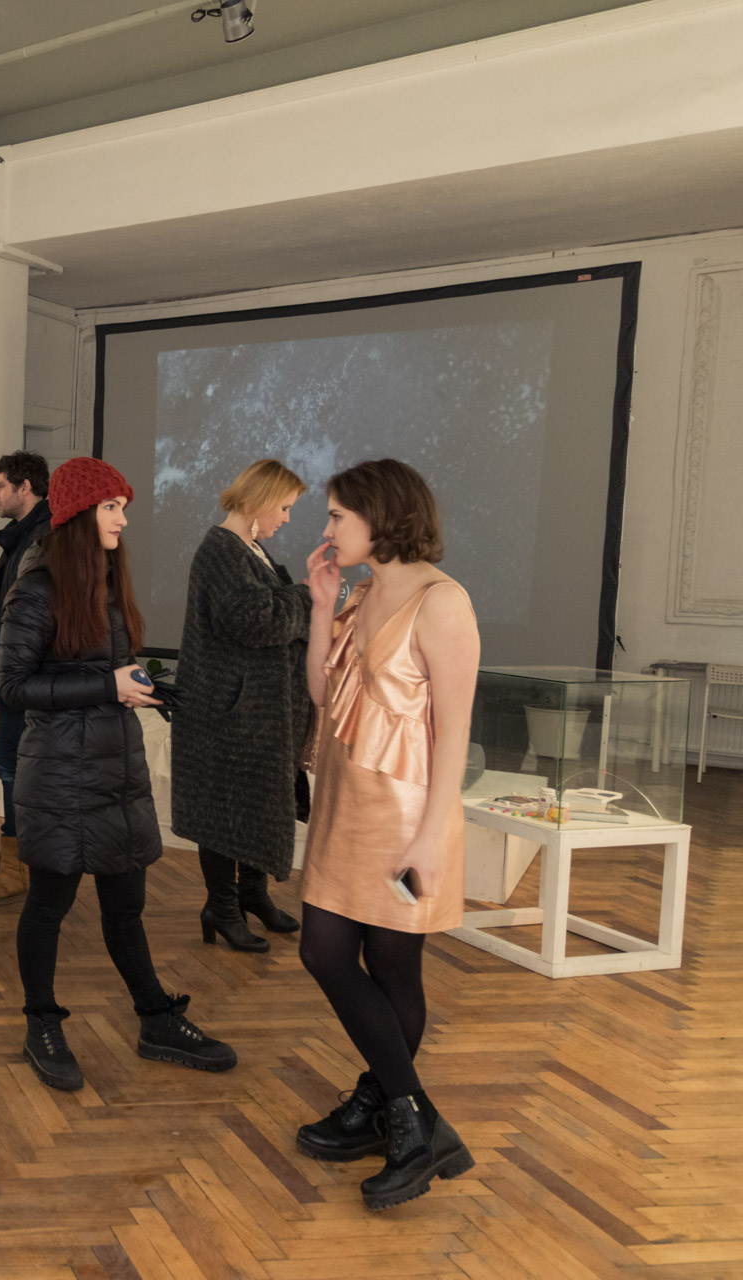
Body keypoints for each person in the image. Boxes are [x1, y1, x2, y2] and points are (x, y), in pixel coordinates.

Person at [1, 457, 236, 1093]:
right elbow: (13, 686)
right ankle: (41, 1023)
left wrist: (142, 685)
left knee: (126, 906)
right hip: (60, 775)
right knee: (48, 905)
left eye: (123, 507)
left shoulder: (105, 580)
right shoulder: (37, 588)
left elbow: (102, 670)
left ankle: (155, 1018)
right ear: (80, 513)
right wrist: (107, 685)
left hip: (114, 768)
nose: (123, 520)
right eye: (111, 507)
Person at [294, 458, 480, 1211]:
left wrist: (431, 838)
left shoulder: (443, 602)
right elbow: (323, 693)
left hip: (407, 821)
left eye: (338, 515)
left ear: (380, 515)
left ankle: (398, 1114)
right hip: (345, 807)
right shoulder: (361, 593)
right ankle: (402, 1112)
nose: (329, 529)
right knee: (324, 950)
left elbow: (455, 730)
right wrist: (321, 608)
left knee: (392, 967)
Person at [172, 459, 313, 952]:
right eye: (285, 507)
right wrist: (308, 595)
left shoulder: (249, 549)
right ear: (260, 502)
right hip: (226, 714)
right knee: (224, 811)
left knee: (256, 805)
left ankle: (252, 895)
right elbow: (259, 622)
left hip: (250, 714)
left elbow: (274, 615)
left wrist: (299, 599)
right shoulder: (221, 550)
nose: (287, 519)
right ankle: (222, 908)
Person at [0, 450, 51, 904]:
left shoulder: (43, 535)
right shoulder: (23, 535)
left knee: (14, 762)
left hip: (23, 666)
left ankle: (19, 864)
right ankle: (12, 848)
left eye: (1, 485)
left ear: (25, 487)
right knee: (10, 761)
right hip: (10, 659)